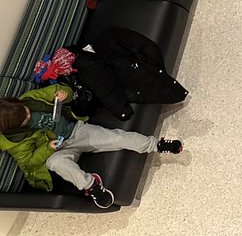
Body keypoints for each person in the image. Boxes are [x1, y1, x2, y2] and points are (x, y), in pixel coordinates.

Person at [0, 84, 182, 209]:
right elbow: (30, 163)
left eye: (26, 110)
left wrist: (63, 93)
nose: (29, 113)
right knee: (56, 164)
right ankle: (92, 186)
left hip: (77, 131)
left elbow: (60, 90)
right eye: (26, 118)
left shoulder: (28, 100)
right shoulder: (12, 142)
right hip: (58, 150)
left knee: (117, 138)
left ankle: (157, 144)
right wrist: (48, 147)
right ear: (15, 126)